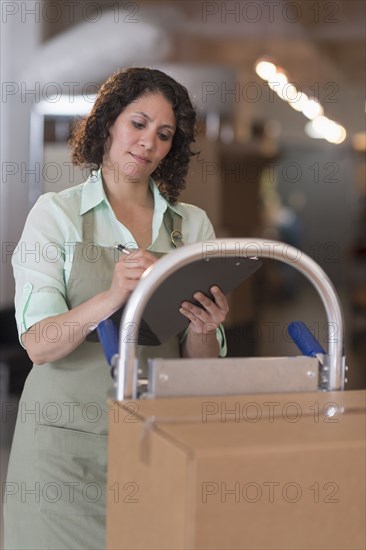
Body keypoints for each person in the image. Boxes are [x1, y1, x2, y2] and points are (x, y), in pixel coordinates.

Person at [4, 67, 228, 550]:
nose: (149, 142)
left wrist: (204, 328)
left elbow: (201, 367)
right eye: (139, 123)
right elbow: (39, 346)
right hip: (62, 457)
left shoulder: (191, 227)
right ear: (109, 123)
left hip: (158, 444)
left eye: (164, 134)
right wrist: (111, 296)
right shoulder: (55, 215)